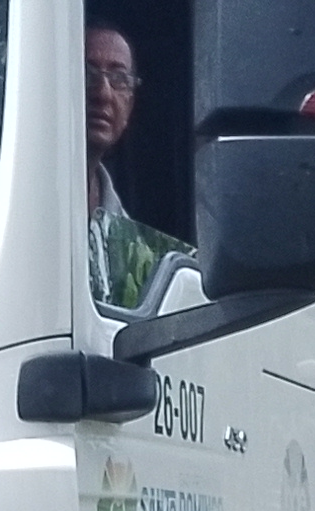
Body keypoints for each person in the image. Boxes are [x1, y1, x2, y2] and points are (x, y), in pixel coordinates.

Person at [84, 20, 186, 308]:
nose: (103, 93)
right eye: (87, 73)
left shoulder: (131, 248)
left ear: (130, 104)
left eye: (119, 79)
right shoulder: (5, 208)